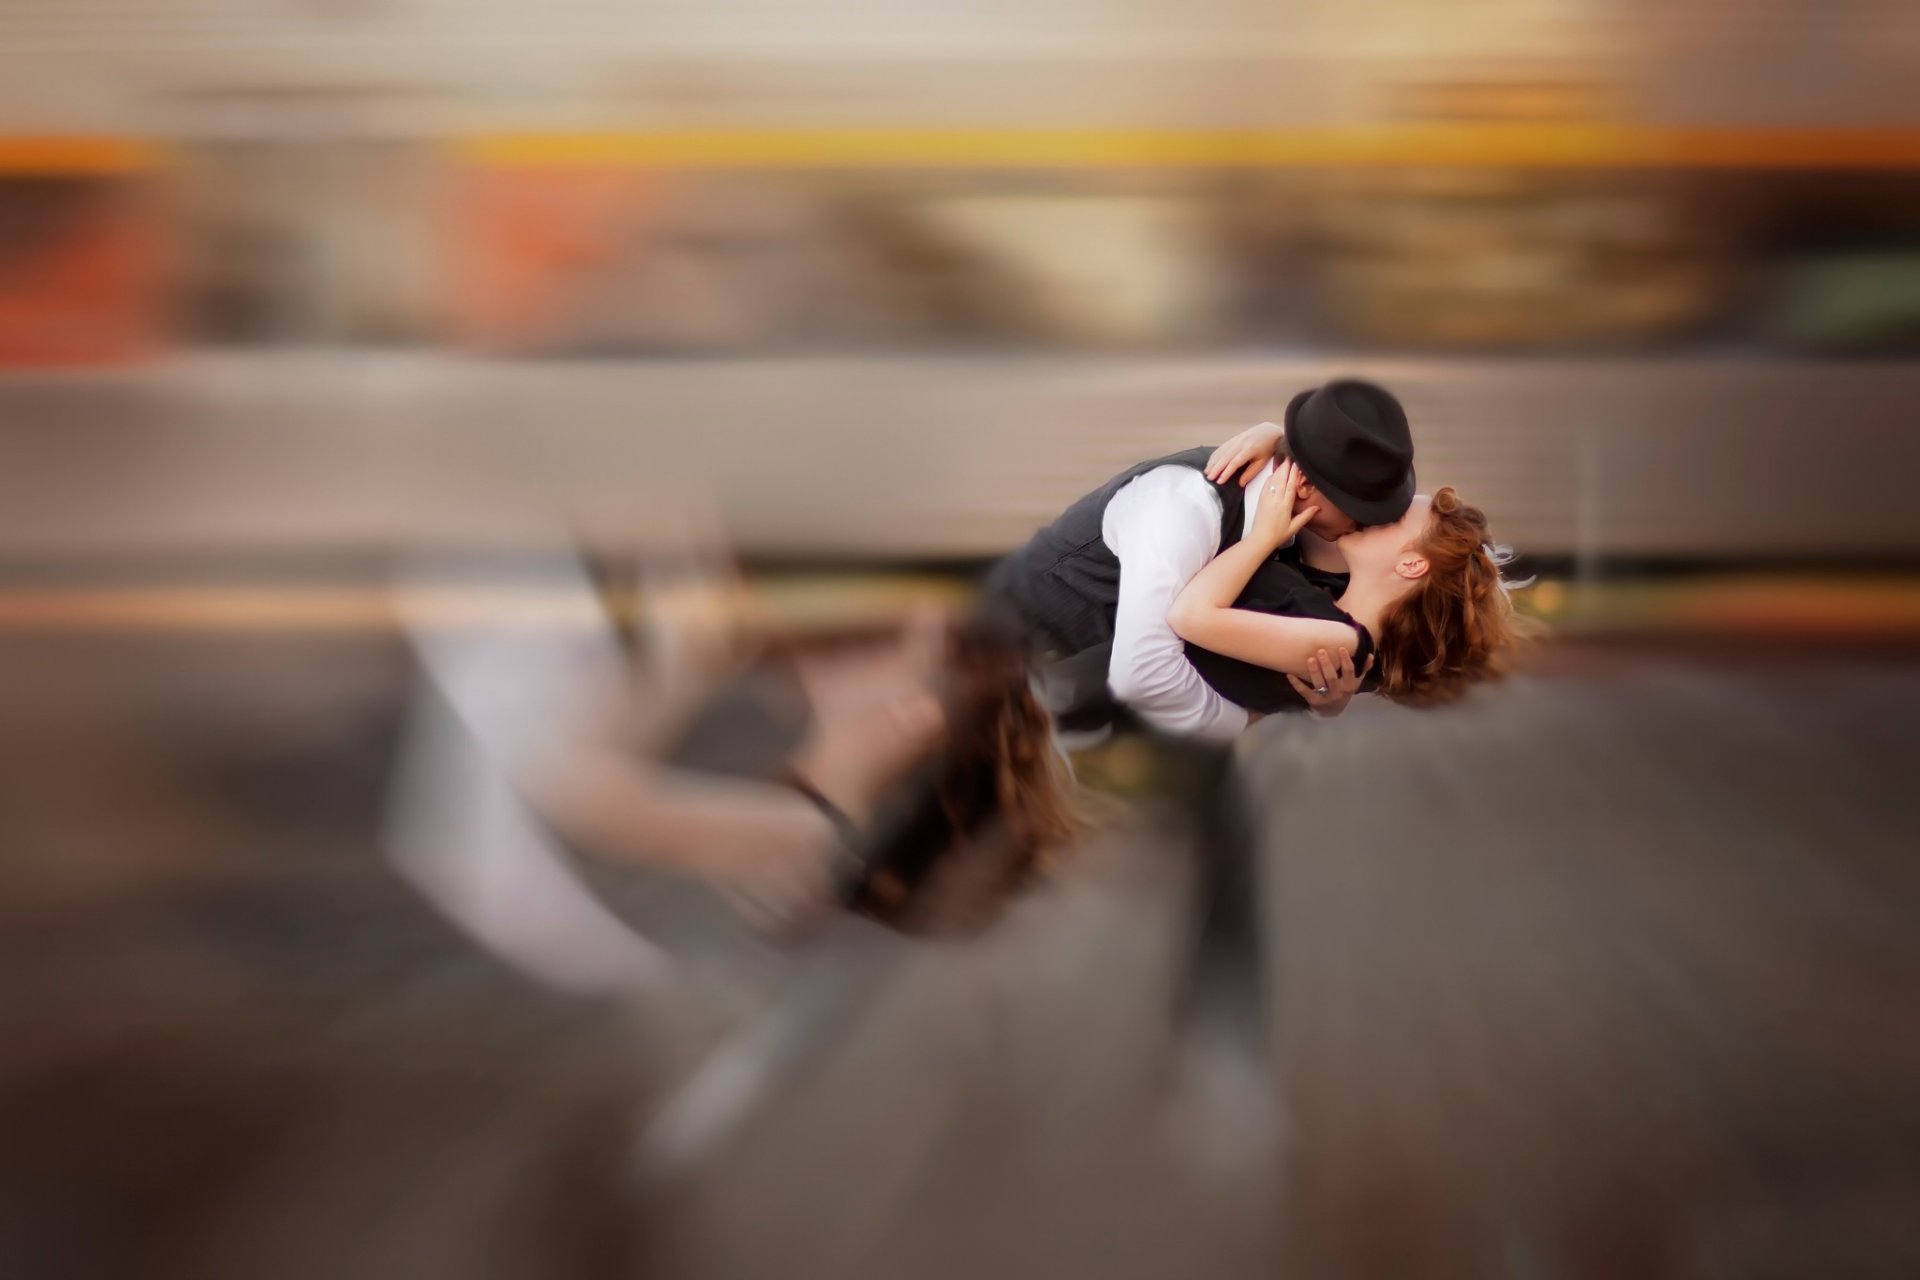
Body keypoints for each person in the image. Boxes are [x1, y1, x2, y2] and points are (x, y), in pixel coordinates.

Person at [980, 379, 1418, 739]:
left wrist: (1323, 702)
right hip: (1004, 677)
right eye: (1363, 510)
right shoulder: (1182, 506)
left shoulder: (1307, 521)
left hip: (1091, 717)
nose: (1372, 522)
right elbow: (1143, 674)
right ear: (1303, 485)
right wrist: (1248, 722)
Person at [1170, 459, 1521, 707]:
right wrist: (1275, 438)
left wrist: (1262, 539)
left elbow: (1188, 617)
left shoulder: (1341, 644)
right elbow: (1323, 473)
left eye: (1393, 516)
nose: (1371, 514)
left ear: (1411, 564)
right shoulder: (1333, 602)